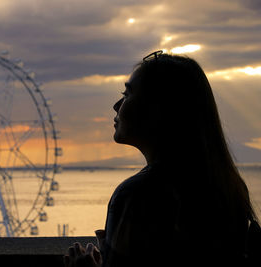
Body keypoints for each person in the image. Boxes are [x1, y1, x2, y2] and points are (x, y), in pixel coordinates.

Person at [64, 51, 259, 266]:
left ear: (157, 110)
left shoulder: (136, 195)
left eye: (127, 94)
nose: (117, 105)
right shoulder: (228, 187)